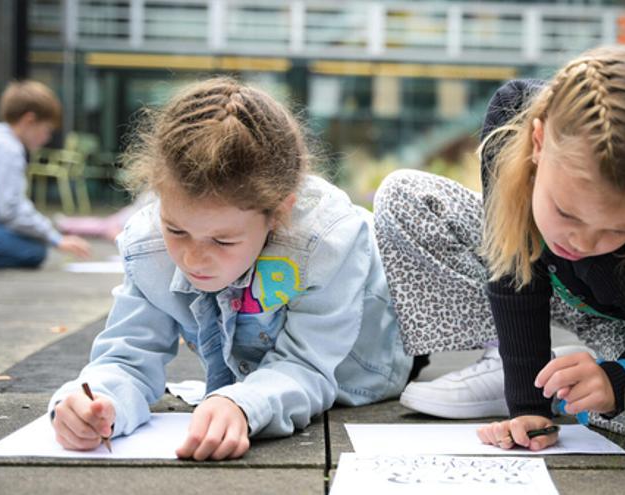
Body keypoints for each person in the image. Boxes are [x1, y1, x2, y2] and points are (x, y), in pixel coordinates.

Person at [374, 45, 625, 449]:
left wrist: (619, 380)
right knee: (405, 196)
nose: (581, 242)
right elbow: (512, 265)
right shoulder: (515, 117)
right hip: (539, 273)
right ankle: (508, 362)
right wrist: (527, 403)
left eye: (616, 230)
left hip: (624, 316)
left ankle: (568, 382)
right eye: (566, 213)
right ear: (538, 141)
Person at [48, 78, 413, 461]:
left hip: (363, 370)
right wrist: (96, 401)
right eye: (176, 230)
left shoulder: (327, 240)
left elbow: (307, 364)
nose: (193, 259)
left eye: (222, 241)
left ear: (279, 214)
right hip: (258, 371)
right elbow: (127, 356)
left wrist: (243, 405)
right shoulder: (147, 243)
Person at [0, 80, 91, 267]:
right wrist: (55, 237)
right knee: (34, 250)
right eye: (47, 130)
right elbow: (10, 210)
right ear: (29, 120)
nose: (47, 138)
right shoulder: (7, 148)